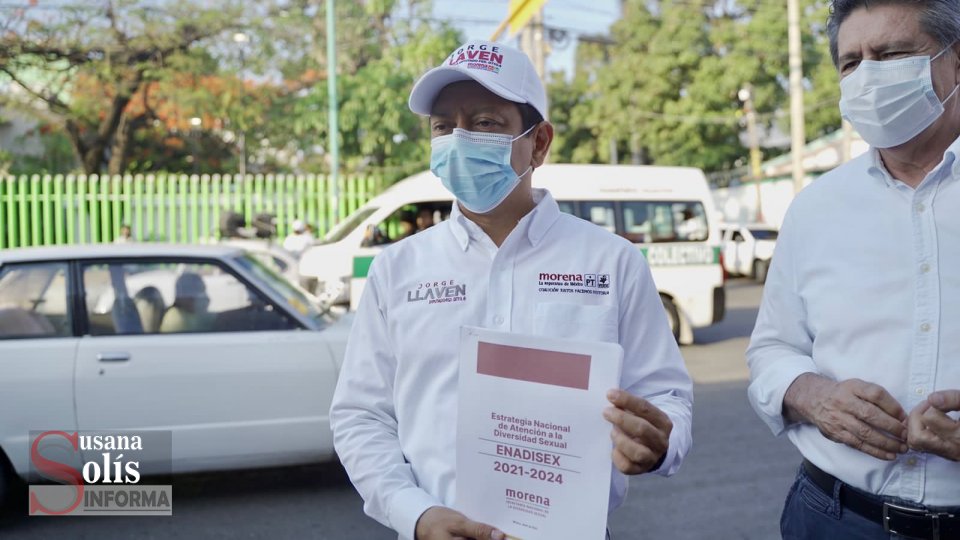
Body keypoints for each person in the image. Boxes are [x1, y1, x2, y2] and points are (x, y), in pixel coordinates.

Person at [330, 40, 693, 540]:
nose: (458, 140)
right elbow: (360, 415)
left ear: (539, 143)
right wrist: (413, 513)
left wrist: (658, 443)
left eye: (484, 123)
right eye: (443, 126)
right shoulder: (396, 269)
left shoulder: (612, 261)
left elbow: (666, 396)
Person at [747, 1, 960, 538]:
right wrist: (811, 395)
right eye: (851, 63)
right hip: (834, 516)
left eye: (892, 54)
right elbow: (772, 349)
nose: (868, 77)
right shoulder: (816, 207)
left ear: (956, 62)